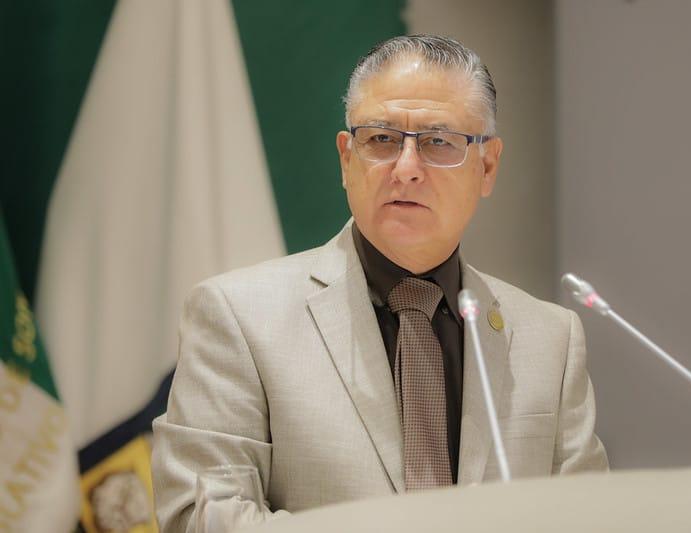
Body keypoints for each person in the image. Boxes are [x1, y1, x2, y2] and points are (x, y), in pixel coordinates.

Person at [151, 34, 608, 532]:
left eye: (439, 142)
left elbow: (590, 518)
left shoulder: (550, 339)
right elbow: (202, 516)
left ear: (487, 166)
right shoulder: (237, 317)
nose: (406, 169)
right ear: (347, 159)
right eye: (382, 140)